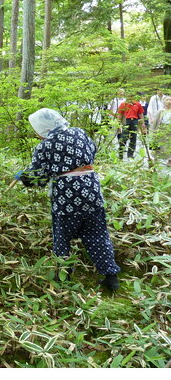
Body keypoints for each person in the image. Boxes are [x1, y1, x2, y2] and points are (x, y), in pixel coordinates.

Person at [14, 108, 121, 291]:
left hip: (67, 196)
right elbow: (92, 151)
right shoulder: (79, 132)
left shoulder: (45, 146)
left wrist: (24, 177)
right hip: (91, 189)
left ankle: (64, 277)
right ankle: (111, 277)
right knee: (97, 234)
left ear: (43, 128)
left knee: (62, 237)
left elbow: (37, 177)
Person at [116, 94, 146, 160]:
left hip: (134, 121)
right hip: (126, 120)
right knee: (124, 137)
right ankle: (120, 154)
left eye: (131, 96)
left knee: (133, 138)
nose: (130, 97)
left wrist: (143, 123)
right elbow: (120, 114)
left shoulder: (137, 104)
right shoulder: (123, 104)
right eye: (129, 96)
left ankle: (130, 155)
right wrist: (118, 124)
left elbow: (141, 114)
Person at [150, 95, 171, 165]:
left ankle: (169, 160)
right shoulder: (160, 111)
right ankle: (155, 158)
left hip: (169, 129)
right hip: (161, 129)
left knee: (169, 145)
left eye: (170, 100)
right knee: (158, 145)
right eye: (167, 100)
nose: (169, 102)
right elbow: (155, 122)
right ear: (164, 102)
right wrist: (154, 132)